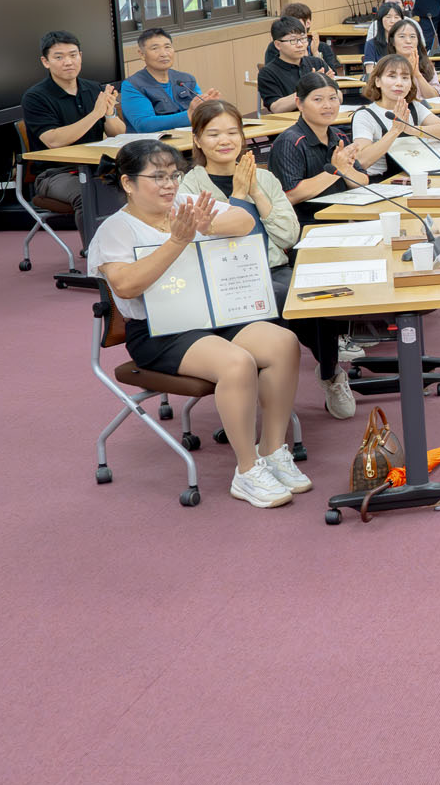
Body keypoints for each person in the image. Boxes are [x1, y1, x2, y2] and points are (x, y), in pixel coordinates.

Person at [86, 139, 308, 508]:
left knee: (283, 343)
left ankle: (272, 450)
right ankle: (247, 470)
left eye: (174, 176)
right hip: (160, 331)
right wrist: (178, 241)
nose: (169, 185)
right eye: (158, 177)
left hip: (213, 315)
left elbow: (246, 221)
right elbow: (125, 285)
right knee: (237, 363)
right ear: (128, 183)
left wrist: (211, 224)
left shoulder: (187, 205)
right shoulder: (116, 229)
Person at [181, 100, 353, 419]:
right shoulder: (189, 186)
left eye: (232, 132)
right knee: (284, 298)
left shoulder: (266, 179)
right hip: (224, 279)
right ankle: (268, 388)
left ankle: (331, 374)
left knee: (319, 294)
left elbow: (288, 236)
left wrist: (257, 192)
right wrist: (238, 195)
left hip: (273, 267)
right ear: (198, 140)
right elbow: (206, 241)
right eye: (214, 134)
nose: (225, 140)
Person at [22, 29, 126, 222]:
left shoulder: (93, 88)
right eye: (59, 57)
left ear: (81, 56)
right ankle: (95, 243)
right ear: (45, 62)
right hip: (55, 173)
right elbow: (54, 140)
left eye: (73, 55)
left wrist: (109, 113)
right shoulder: (35, 97)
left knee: (138, 183)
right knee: (87, 194)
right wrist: (95, 114)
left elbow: (118, 133)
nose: (68, 62)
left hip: (96, 166)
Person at [266, 71, 367, 205]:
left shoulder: (339, 136)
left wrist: (346, 169)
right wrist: (336, 170)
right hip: (309, 217)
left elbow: (363, 180)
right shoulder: (289, 142)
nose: (328, 106)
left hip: (342, 211)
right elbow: (291, 195)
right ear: (299, 104)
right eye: (318, 99)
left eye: (333, 98)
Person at [350, 55, 440, 179]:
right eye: (392, 76)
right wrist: (395, 131)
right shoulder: (364, 115)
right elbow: (362, 161)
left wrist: (412, 129)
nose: (399, 83)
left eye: (405, 78)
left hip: (414, 174)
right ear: (377, 81)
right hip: (382, 181)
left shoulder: (414, 107)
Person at [119, 26, 215, 132]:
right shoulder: (132, 85)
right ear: (142, 54)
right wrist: (188, 115)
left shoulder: (187, 80)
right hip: (153, 142)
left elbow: (201, 112)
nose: (164, 54)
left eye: (167, 47)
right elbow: (144, 124)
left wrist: (210, 106)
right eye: (155, 48)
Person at [259, 16, 333, 115]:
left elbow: (339, 96)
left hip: (323, 116)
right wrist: (308, 88)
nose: (300, 44)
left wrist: (329, 87)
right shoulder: (267, 73)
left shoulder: (317, 63)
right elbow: (276, 108)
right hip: (291, 122)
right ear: (278, 45)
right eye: (293, 40)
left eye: (303, 39)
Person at [383, 17, 440, 100]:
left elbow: (435, 98)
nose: (408, 41)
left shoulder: (427, 65)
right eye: (402, 36)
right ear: (393, 41)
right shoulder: (385, 66)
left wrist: (417, 74)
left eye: (412, 36)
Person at [271, 2, 338, 71]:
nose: (293, 25)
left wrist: (316, 53)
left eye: (297, 22)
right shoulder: (278, 46)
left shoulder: (322, 47)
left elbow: (332, 74)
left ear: (307, 23)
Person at [363, 0, 419, 64]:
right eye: (388, 17)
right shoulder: (372, 44)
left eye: (396, 17)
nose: (392, 21)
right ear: (381, 20)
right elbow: (370, 69)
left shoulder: (408, 43)